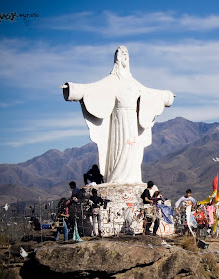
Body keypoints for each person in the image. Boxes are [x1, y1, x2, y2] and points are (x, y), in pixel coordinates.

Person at [61, 46, 175, 184]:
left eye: (127, 54)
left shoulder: (133, 82)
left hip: (132, 119)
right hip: (119, 120)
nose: (125, 57)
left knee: (133, 147)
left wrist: (167, 96)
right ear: (117, 57)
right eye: (122, 54)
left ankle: (132, 176)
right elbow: (92, 88)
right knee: (120, 146)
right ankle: (117, 176)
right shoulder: (112, 80)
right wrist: (72, 89)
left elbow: (149, 92)